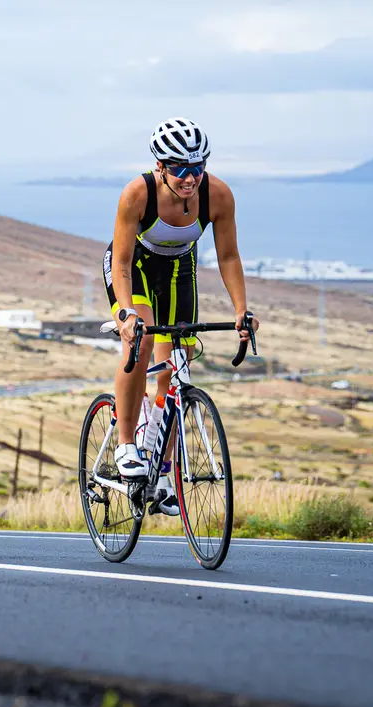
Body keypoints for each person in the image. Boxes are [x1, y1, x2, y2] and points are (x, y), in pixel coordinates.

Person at [102, 117, 258, 515]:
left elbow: (228, 256)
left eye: (198, 167)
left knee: (177, 371)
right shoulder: (137, 194)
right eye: (179, 168)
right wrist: (124, 313)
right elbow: (119, 262)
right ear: (160, 166)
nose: (190, 177)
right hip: (133, 266)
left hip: (177, 270)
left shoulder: (217, 195)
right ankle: (125, 446)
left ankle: (163, 472)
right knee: (144, 340)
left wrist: (242, 311)